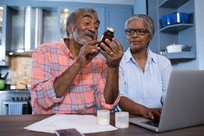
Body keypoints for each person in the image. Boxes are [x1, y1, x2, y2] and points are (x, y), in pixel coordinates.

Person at [30, 7, 124, 114]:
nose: (92, 29)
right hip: (51, 126)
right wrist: (78, 64)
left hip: (86, 127)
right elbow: (42, 99)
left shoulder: (99, 62)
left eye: (96, 26)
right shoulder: (44, 52)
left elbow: (108, 105)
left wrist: (113, 67)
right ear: (70, 28)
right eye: (87, 23)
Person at [117, 14, 173, 119]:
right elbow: (121, 98)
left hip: (158, 118)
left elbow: (168, 96)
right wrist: (144, 110)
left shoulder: (163, 63)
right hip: (129, 120)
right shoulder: (119, 62)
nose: (134, 35)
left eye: (140, 31)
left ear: (150, 36)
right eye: (130, 31)